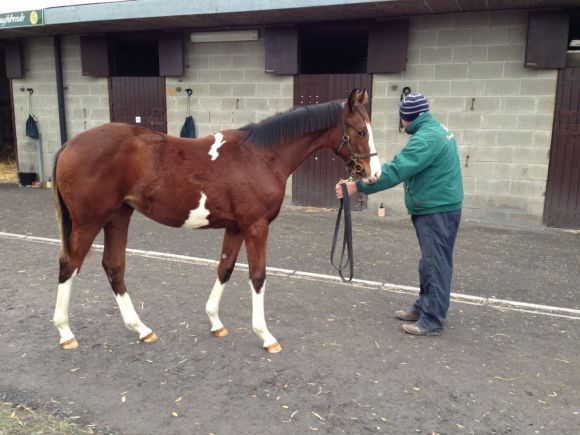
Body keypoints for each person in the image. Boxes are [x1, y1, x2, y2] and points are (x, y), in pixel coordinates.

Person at [336, 93, 463, 336]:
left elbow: (397, 169)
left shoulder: (427, 138)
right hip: (437, 207)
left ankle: (432, 320)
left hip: (436, 210)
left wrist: (358, 186)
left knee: (436, 264)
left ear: (408, 118)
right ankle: (424, 307)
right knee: (429, 262)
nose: (401, 124)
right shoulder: (434, 130)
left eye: (402, 119)